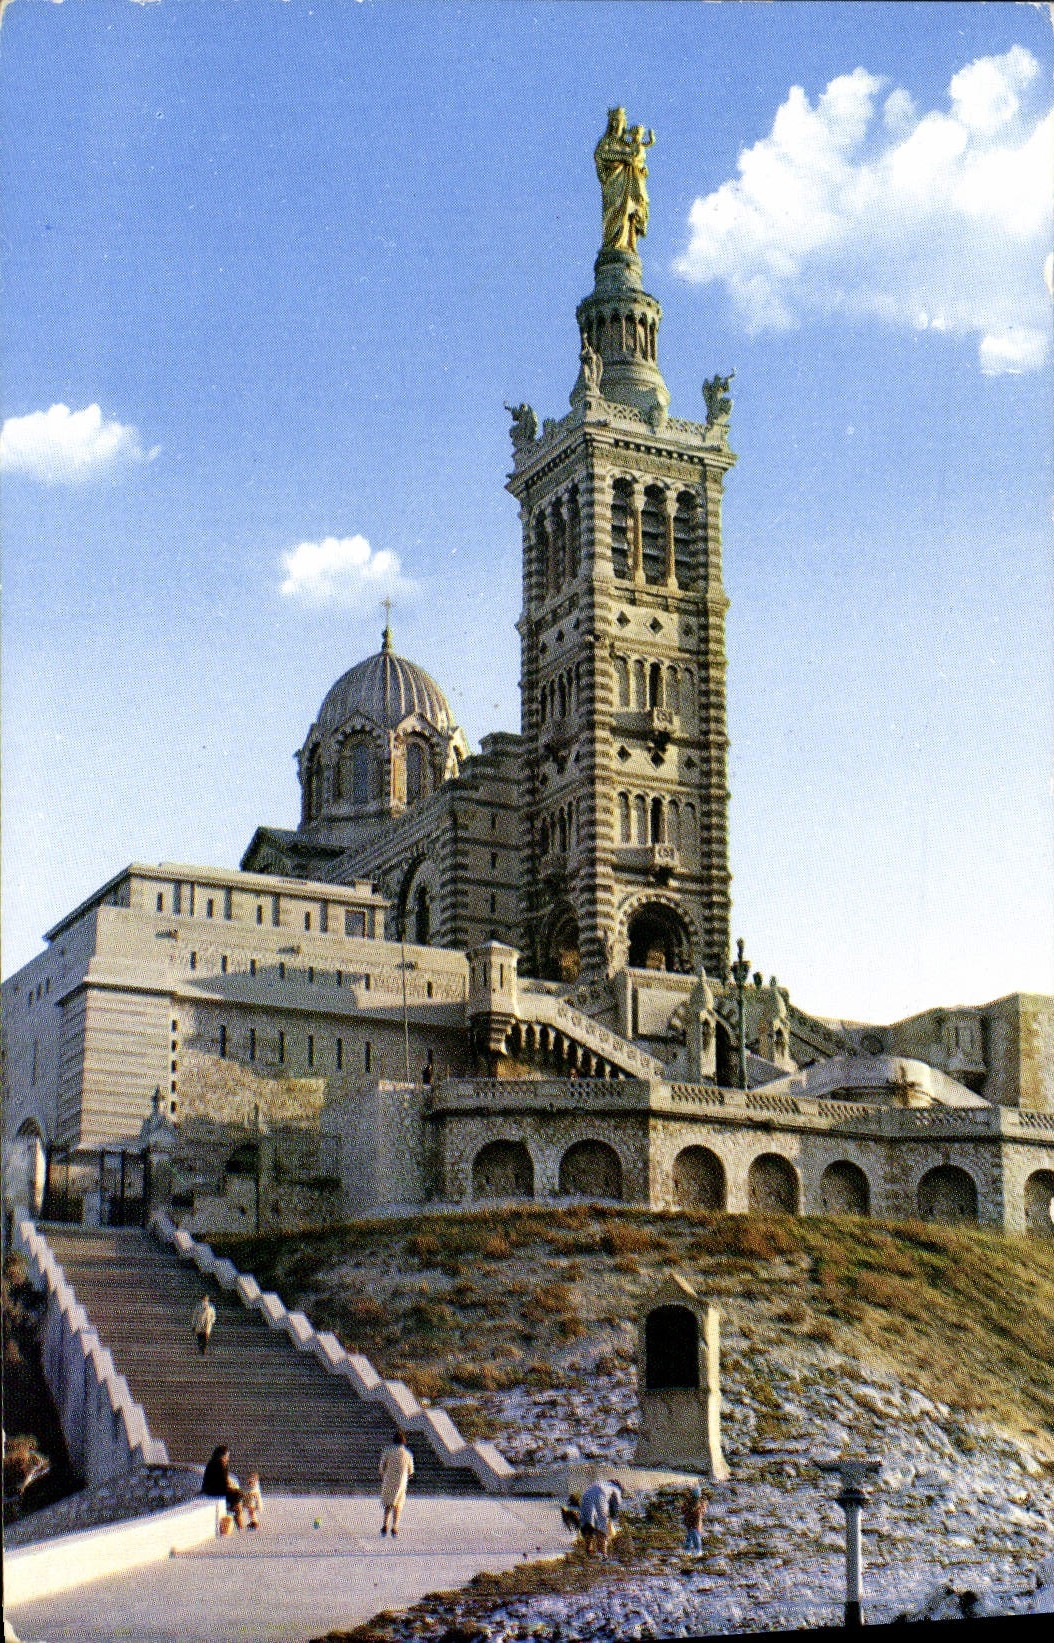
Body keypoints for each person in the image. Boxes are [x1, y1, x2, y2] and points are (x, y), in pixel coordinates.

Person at [379, 1430, 414, 1537]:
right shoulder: (407, 1453)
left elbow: (381, 1466)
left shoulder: (387, 1451)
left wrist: (383, 1474)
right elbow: (411, 1470)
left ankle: (385, 1524)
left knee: (388, 1503)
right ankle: (394, 1526)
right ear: (404, 1441)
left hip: (389, 1479)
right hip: (401, 1481)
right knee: (398, 1504)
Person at [201, 1444, 245, 1528]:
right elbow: (223, 1482)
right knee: (238, 1495)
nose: (228, 1458)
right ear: (222, 1455)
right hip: (214, 1490)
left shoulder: (212, 1463)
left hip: (211, 1489)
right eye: (227, 1456)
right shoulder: (220, 1465)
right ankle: (238, 1522)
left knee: (237, 1496)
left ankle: (234, 1513)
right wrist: (231, 1488)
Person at [578, 1478, 622, 1557]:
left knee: (588, 1524)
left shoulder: (599, 1483)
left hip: (585, 1496)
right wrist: (612, 1519)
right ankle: (603, 1555)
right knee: (602, 1527)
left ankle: (588, 1551)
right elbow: (616, 1506)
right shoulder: (616, 1489)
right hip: (600, 1496)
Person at [682, 1483, 704, 1553]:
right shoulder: (697, 1502)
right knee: (693, 1537)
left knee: (692, 1537)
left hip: (692, 1523)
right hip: (694, 1523)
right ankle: (693, 1550)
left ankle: (691, 1550)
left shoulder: (694, 1502)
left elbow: (687, 1510)